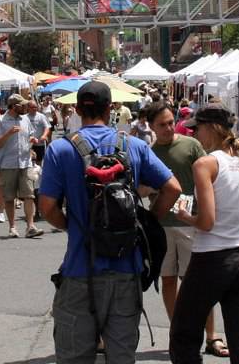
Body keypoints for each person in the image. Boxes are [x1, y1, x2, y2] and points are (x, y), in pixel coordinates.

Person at [39, 81, 182, 363]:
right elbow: (173, 188)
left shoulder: (61, 150)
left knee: (74, 356)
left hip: (80, 269)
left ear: (78, 110)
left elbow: (46, 208)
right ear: (111, 109)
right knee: (122, 356)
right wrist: (148, 221)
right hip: (125, 271)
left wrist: (70, 224)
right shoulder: (134, 146)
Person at [169, 104, 239, 363]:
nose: (195, 134)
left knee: (184, 333)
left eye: (197, 128)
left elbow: (207, 221)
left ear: (211, 128)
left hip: (210, 256)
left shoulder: (205, 164)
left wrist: (186, 216)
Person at [143, 103, 227, 357]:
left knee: (198, 282)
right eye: (162, 124)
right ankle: (177, 333)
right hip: (162, 225)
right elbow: (143, 187)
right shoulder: (150, 152)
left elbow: (211, 176)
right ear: (151, 126)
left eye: (171, 122)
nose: (169, 128)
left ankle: (210, 335)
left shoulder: (191, 146)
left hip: (191, 222)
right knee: (168, 280)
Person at [0, 94, 44, 238]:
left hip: (25, 163)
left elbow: (30, 136)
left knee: (29, 195)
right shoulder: (0, 121)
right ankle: (12, 227)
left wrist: (32, 140)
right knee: (9, 197)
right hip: (8, 164)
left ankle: (30, 226)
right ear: (14, 106)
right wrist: (8, 134)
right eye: (23, 105)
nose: (26, 107)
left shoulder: (25, 119)